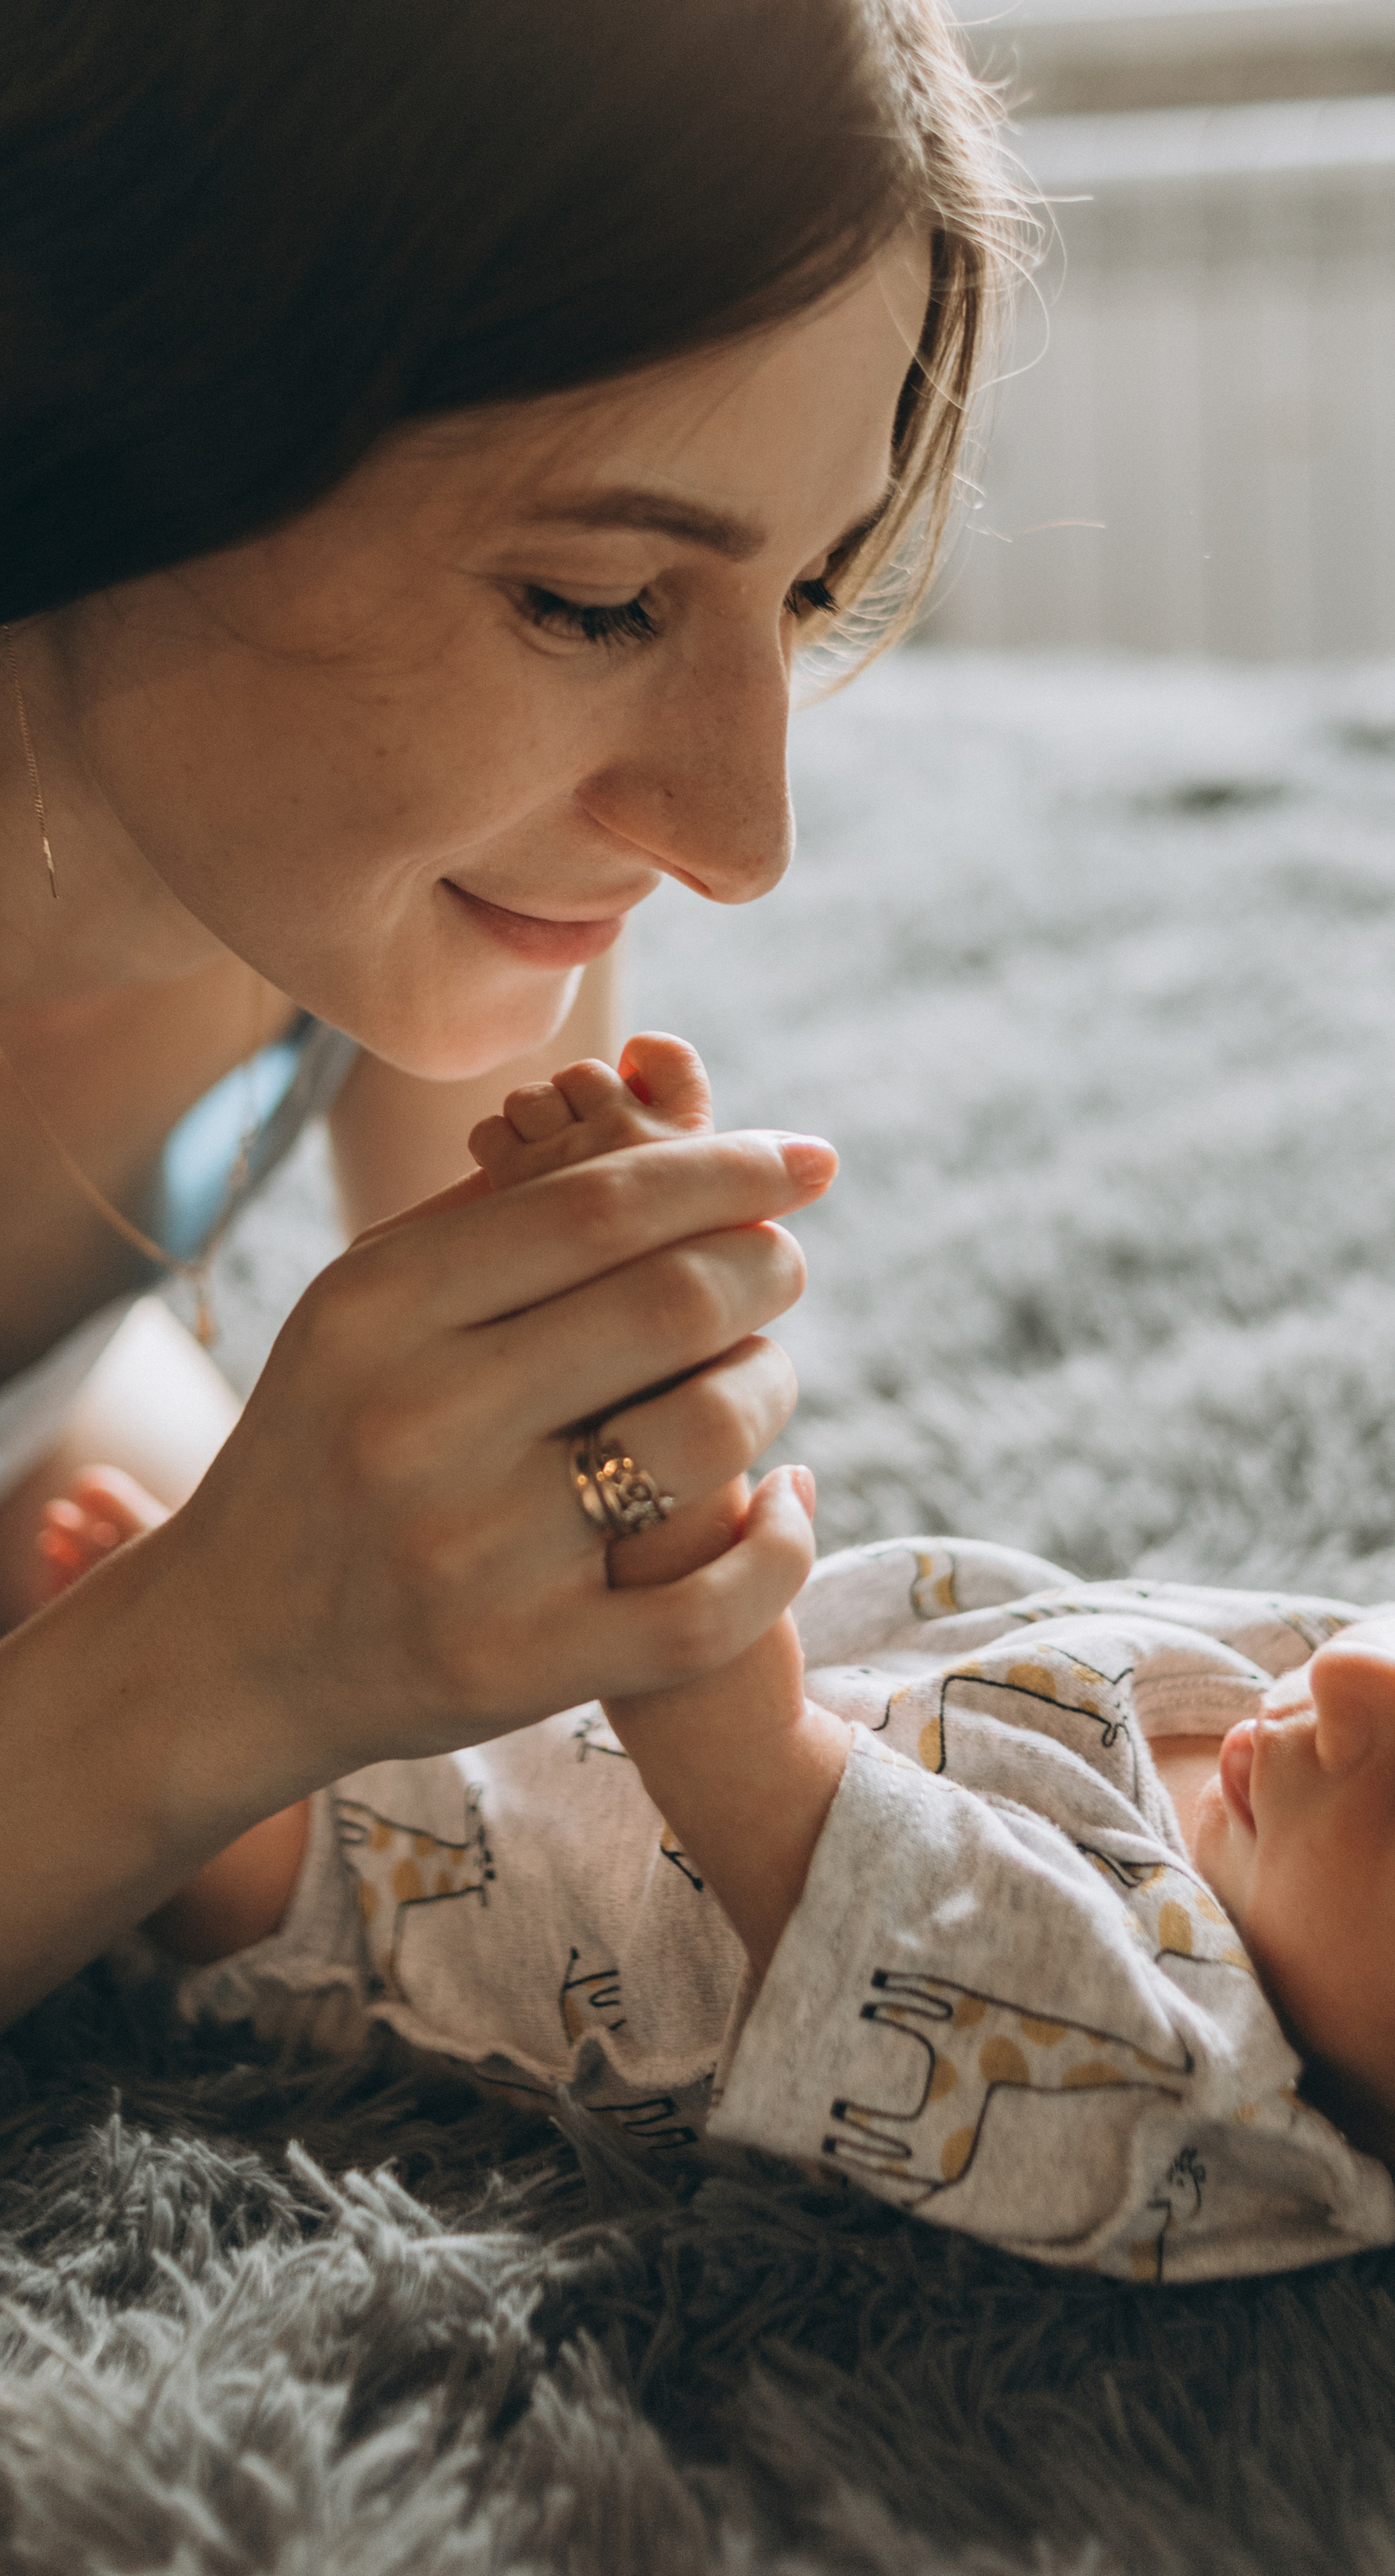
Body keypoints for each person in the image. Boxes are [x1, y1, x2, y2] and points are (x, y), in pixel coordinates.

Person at [46, 1040, 1395, 2302]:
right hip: (527, 1688)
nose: (1362, 1684)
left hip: (381, 1875)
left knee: (84, 1569)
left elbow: (752, 1772)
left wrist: (656, 1443)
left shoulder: (1160, 2064)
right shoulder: (1350, 1774)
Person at [0, 0, 1015, 2027]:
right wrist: (222, 1653)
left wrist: (1344, 1988)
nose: (742, 838)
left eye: (806, 598)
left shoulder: (356, 897)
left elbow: (533, 1754)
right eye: (597, 601)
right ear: (113, 388)